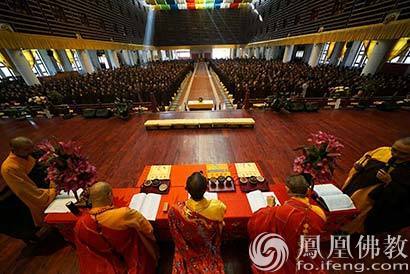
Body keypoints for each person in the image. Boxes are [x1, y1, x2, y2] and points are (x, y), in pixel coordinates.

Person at [248, 175, 327, 274]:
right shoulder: (319, 212)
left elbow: (256, 222)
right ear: (307, 191)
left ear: (287, 189)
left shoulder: (281, 211)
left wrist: (269, 207)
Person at [74, 181, 158, 274]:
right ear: (109, 195)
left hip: (106, 259)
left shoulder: (81, 223)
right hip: (131, 253)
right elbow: (149, 230)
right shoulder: (124, 214)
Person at [342, 137, 410, 234]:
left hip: (377, 205)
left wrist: (390, 183)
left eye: (403, 154)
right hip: (358, 190)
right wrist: (360, 166)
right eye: (394, 150)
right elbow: (366, 157)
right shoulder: (383, 151)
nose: (395, 155)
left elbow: (405, 198)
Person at [168, 172, 227, 274]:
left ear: (186, 189)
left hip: (188, 242)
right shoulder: (217, 207)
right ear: (206, 189)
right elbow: (221, 218)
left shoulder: (176, 210)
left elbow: (174, 227)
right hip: (207, 241)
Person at [1, 137, 56, 242]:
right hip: (28, 196)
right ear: (14, 150)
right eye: (26, 150)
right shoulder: (9, 168)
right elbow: (24, 190)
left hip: (44, 184)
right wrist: (52, 191)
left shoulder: (29, 154)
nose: (31, 151)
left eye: (31, 148)